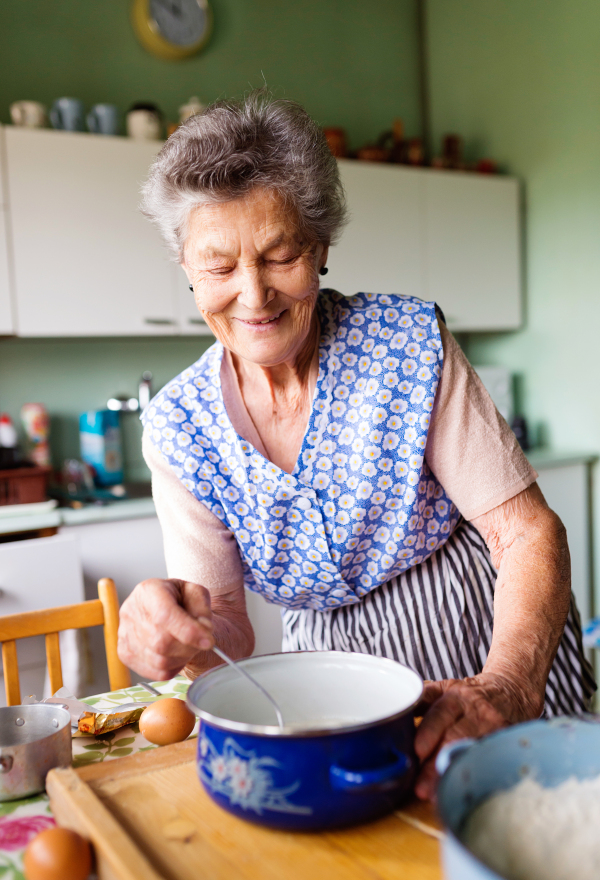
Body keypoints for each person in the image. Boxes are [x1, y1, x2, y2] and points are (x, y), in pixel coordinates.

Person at [117, 91, 595, 800]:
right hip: (330, 696)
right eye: (219, 268)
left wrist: (506, 685)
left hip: (485, 651)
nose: (254, 296)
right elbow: (226, 633)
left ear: (321, 247)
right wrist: (174, 629)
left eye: (280, 254)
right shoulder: (180, 426)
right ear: (186, 268)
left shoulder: (406, 343)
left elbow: (527, 532)